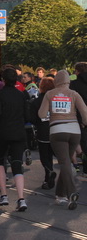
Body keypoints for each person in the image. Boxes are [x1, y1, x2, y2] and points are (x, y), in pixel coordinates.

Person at [38, 70, 87, 210]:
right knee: (66, 162)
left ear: (56, 81)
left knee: (64, 162)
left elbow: (41, 114)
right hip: (74, 131)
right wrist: (84, 123)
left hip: (57, 131)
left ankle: (71, 193)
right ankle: (60, 195)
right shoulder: (74, 94)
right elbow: (85, 111)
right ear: (68, 81)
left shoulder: (50, 94)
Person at [0, 68, 30, 212]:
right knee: (17, 163)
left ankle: (3, 195)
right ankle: (21, 198)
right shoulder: (21, 94)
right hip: (18, 132)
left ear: (3, 79)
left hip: (3, 132)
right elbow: (28, 116)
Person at [30, 77, 56, 190]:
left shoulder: (37, 101)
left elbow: (32, 118)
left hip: (43, 131)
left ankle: (49, 172)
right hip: (56, 130)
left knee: (45, 157)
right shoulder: (56, 99)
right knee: (56, 155)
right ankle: (49, 177)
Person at [69, 62, 87, 177]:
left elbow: (72, 103)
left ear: (77, 71)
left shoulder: (74, 84)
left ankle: (85, 169)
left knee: (84, 143)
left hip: (81, 117)